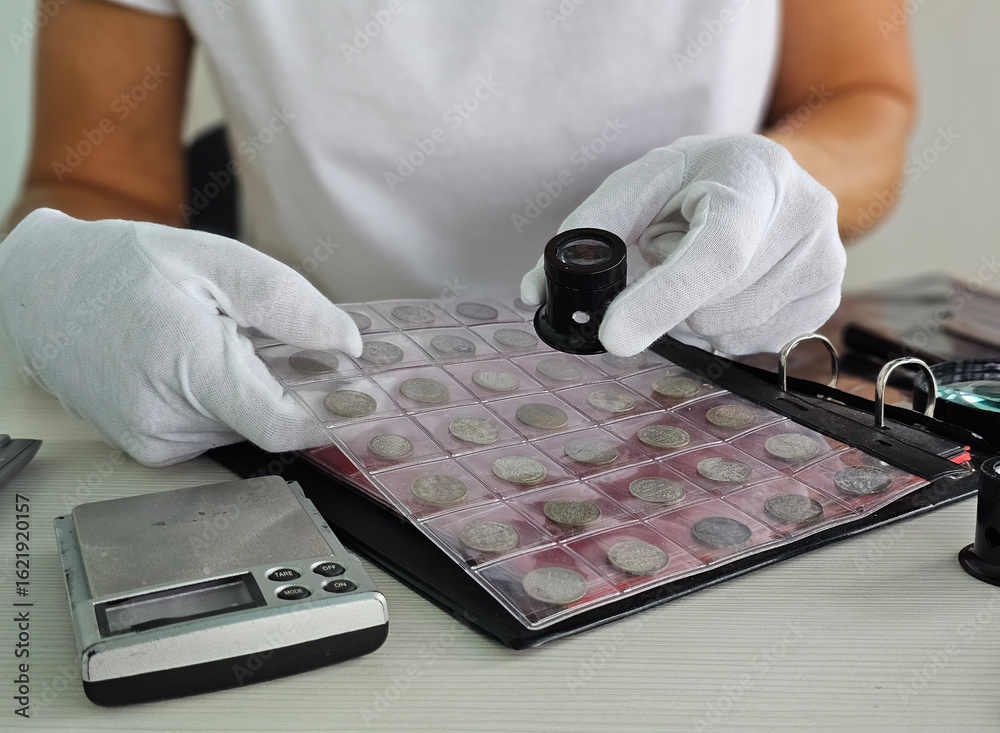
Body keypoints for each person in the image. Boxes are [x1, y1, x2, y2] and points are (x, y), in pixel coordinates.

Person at [0, 0, 915, 466]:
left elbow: (859, 97)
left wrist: (787, 188)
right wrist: (59, 274)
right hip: (332, 415)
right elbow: (89, 174)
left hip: (705, 391)